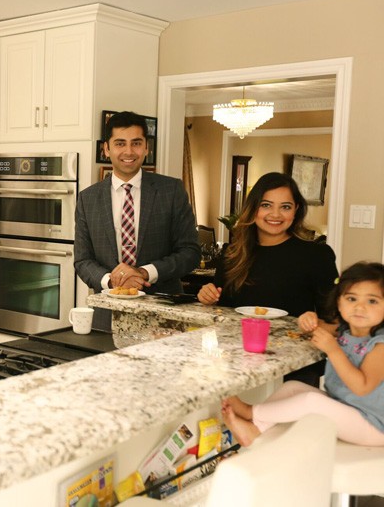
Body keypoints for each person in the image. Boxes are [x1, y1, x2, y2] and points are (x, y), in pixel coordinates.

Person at [222, 262, 384, 447]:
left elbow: (362, 387)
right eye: (352, 299)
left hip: (373, 426)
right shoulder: (345, 329)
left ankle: (250, 412)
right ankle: (256, 428)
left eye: (372, 301)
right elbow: (314, 329)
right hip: (348, 408)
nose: (360, 307)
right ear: (339, 302)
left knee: (311, 401)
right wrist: (306, 321)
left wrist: (333, 350)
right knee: (292, 387)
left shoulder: (379, 345)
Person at [197, 172, 338, 386]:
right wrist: (207, 296)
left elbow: (335, 322)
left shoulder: (316, 255)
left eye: (285, 206)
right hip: (236, 360)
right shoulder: (232, 254)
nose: (276, 214)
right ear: (253, 209)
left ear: (296, 211)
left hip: (293, 365)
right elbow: (220, 308)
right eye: (266, 205)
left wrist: (312, 325)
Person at [75, 111, 200, 329]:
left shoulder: (171, 190)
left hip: (164, 313)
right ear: (107, 149)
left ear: (146, 147)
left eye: (136, 143)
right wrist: (113, 281)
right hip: (108, 315)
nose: (129, 151)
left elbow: (190, 253)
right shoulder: (88, 198)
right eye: (120, 143)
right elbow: (82, 260)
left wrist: (144, 273)